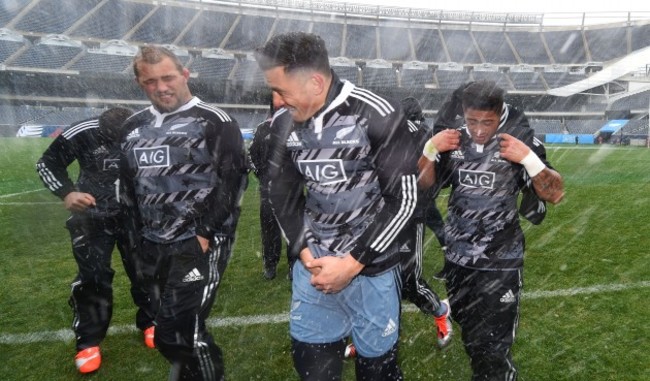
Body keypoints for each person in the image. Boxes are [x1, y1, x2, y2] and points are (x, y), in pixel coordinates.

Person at [255, 32, 419, 380]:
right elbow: (280, 195)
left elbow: (403, 200)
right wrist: (305, 254)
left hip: (371, 266)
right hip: (314, 269)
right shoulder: (282, 125)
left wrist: (351, 264)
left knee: (378, 372)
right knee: (312, 369)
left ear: (315, 82)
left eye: (282, 90)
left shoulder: (377, 113)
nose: (278, 101)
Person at [418, 80, 564, 380]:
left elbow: (555, 193)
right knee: (472, 339)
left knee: (493, 352)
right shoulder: (455, 140)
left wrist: (528, 159)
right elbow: (424, 184)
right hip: (458, 261)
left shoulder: (519, 141)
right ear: (463, 113)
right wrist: (431, 148)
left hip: (501, 262)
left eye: (488, 122)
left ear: (501, 114)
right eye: (472, 121)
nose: (480, 130)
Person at [119, 45, 248, 381]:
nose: (161, 87)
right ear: (139, 83)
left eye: (168, 77)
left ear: (185, 75)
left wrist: (204, 232)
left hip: (199, 241)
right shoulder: (132, 127)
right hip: (153, 244)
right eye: (150, 82)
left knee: (184, 331)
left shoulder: (215, 121)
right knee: (169, 332)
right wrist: (137, 239)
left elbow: (232, 183)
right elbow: (130, 189)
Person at [35, 107, 153, 374]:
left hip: (135, 217)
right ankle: (88, 342)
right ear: (102, 130)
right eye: (112, 139)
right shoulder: (82, 131)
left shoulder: (145, 132)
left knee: (145, 271)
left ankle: (151, 321)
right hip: (91, 217)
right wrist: (66, 193)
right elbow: (47, 162)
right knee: (94, 277)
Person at [248, 92, 296, 280]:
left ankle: (294, 264)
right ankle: (270, 264)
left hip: (292, 190)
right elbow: (252, 155)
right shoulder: (262, 128)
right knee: (269, 229)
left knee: (293, 229)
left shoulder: (297, 126)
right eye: (277, 98)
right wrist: (264, 176)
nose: (281, 102)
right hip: (268, 190)